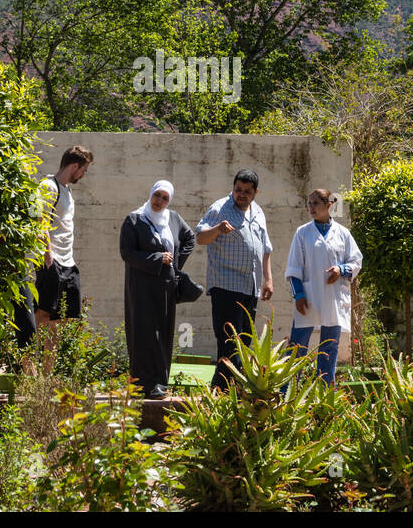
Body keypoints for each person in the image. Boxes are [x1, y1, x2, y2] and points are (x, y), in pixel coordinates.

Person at [195, 169, 273, 391]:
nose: (241, 194)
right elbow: (200, 237)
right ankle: (223, 395)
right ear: (233, 187)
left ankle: (228, 393)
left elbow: (265, 249)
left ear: (255, 192)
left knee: (245, 344)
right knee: (230, 344)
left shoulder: (258, 212)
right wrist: (217, 229)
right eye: (238, 189)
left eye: (247, 191)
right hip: (226, 286)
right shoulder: (220, 208)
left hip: (251, 288)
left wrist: (268, 279)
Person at [121, 180, 196, 400]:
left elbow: (190, 238)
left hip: (166, 285)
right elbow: (127, 252)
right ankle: (139, 383)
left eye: (165, 198)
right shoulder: (134, 219)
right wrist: (157, 258)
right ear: (151, 193)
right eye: (157, 195)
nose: (159, 201)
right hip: (141, 285)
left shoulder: (173, 218)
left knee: (163, 333)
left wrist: (174, 265)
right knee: (142, 332)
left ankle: (159, 384)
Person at [286, 188, 363, 385]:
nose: (311, 207)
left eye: (316, 203)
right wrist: (299, 295)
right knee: (297, 346)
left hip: (332, 297)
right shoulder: (302, 233)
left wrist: (341, 269)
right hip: (309, 297)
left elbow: (356, 261)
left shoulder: (343, 234)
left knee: (329, 347)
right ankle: (287, 391)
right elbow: (294, 267)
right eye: (309, 203)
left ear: (329, 205)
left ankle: (326, 391)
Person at [35, 146, 93, 326]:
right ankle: (31, 354)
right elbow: (39, 221)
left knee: (61, 318)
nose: (83, 175)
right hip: (51, 260)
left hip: (68, 262)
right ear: (74, 166)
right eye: (83, 170)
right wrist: (48, 255)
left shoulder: (67, 190)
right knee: (43, 313)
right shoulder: (47, 186)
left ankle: (51, 356)